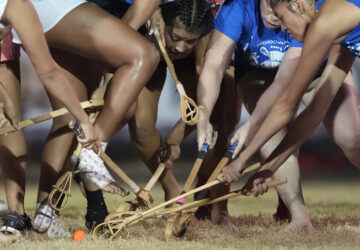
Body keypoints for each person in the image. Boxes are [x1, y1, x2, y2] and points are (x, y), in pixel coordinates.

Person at [0, 0, 160, 240]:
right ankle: (91, 156)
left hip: (65, 8)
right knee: (143, 55)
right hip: (57, 7)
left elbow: (50, 73)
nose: (6, 36)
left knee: (68, 118)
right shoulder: (16, 7)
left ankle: (45, 219)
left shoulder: (16, 8)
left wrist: (83, 118)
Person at [222, 0, 360, 199]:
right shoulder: (339, 31)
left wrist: (243, 157)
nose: (283, 28)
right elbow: (315, 111)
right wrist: (269, 168)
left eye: (281, 18)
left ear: (297, 5)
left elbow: (287, 105)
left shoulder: (323, 26)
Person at [196, 0, 314, 231]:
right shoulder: (238, 7)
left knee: (349, 133)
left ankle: (289, 203)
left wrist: (250, 134)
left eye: (278, 9)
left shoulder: (306, 12)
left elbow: (285, 82)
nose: (274, 17)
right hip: (255, 73)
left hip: (308, 67)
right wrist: (202, 114)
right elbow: (214, 64)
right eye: (269, 7)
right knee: (270, 127)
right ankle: (299, 214)